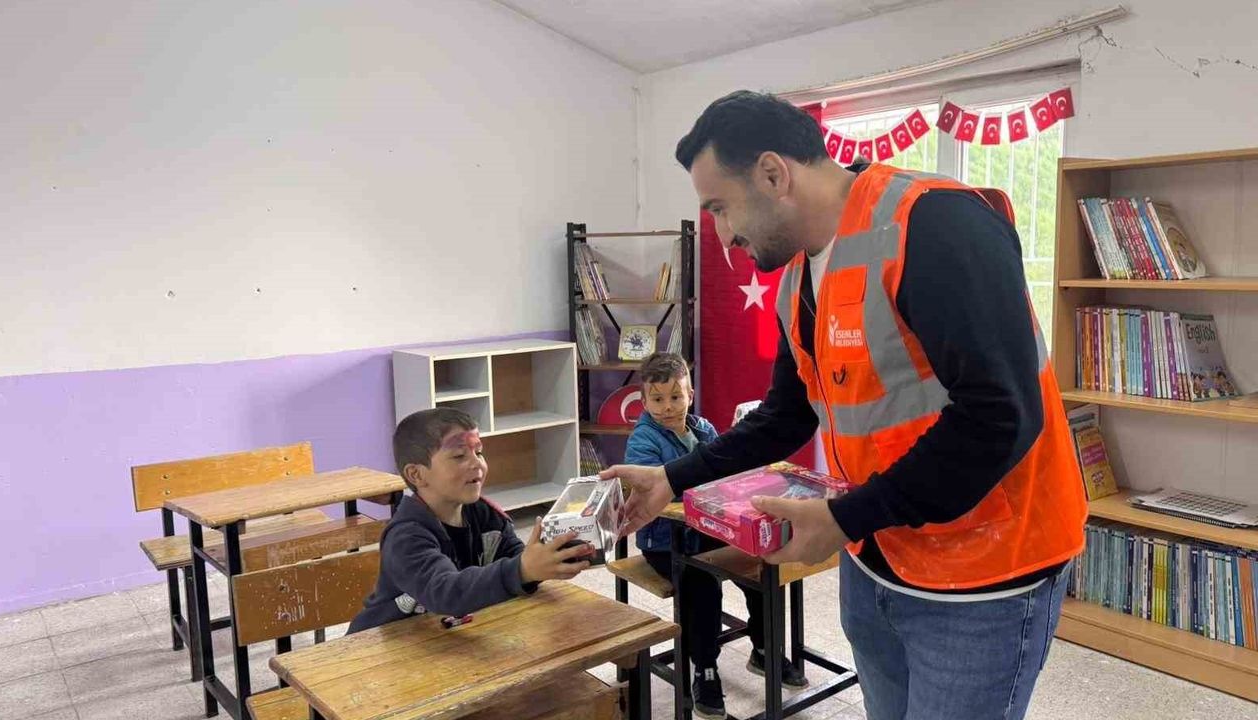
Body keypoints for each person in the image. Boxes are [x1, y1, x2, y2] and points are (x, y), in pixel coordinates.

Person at [601, 90, 1088, 720]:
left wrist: (849, 515)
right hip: (877, 557)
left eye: (720, 207)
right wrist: (670, 476)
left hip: (984, 574)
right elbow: (785, 415)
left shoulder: (935, 222)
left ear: (774, 174)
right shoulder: (802, 277)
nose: (721, 235)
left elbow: (1002, 416)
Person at [626, 352, 806, 719]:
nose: (667, 407)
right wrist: (699, 487)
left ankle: (764, 648)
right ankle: (704, 668)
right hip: (666, 542)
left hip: (710, 532)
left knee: (762, 563)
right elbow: (658, 495)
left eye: (676, 396)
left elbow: (724, 475)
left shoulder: (704, 429)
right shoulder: (643, 440)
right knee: (701, 584)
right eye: (657, 399)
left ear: (690, 394)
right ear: (643, 402)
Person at [349, 408, 592, 633]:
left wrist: (550, 559)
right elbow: (447, 593)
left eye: (479, 452)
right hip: (381, 649)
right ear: (417, 474)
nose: (477, 463)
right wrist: (523, 569)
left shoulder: (485, 515)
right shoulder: (405, 535)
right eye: (458, 455)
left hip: (442, 639)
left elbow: (515, 561)